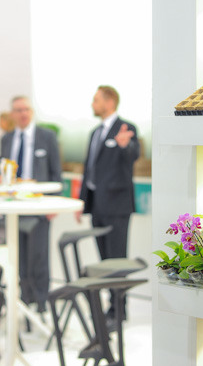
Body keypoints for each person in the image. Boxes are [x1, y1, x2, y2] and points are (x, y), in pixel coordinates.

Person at [77, 85, 139, 325]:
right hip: (97, 206)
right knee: (104, 261)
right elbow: (89, 169)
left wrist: (124, 145)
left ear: (110, 101)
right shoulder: (95, 133)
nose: (93, 104)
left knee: (117, 260)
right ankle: (110, 307)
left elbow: (133, 154)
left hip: (117, 206)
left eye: (96, 100)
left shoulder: (126, 128)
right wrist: (82, 202)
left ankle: (119, 310)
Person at [0, 96, 61, 313]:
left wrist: (53, 203)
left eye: (26, 109)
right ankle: (25, 301)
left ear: (31, 111)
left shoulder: (47, 137)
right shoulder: (6, 139)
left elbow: (56, 172)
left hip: (39, 207)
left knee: (39, 257)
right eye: (18, 110)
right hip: (14, 207)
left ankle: (42, 303)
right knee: (19, 258)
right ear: (12, 114)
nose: (23, 113)